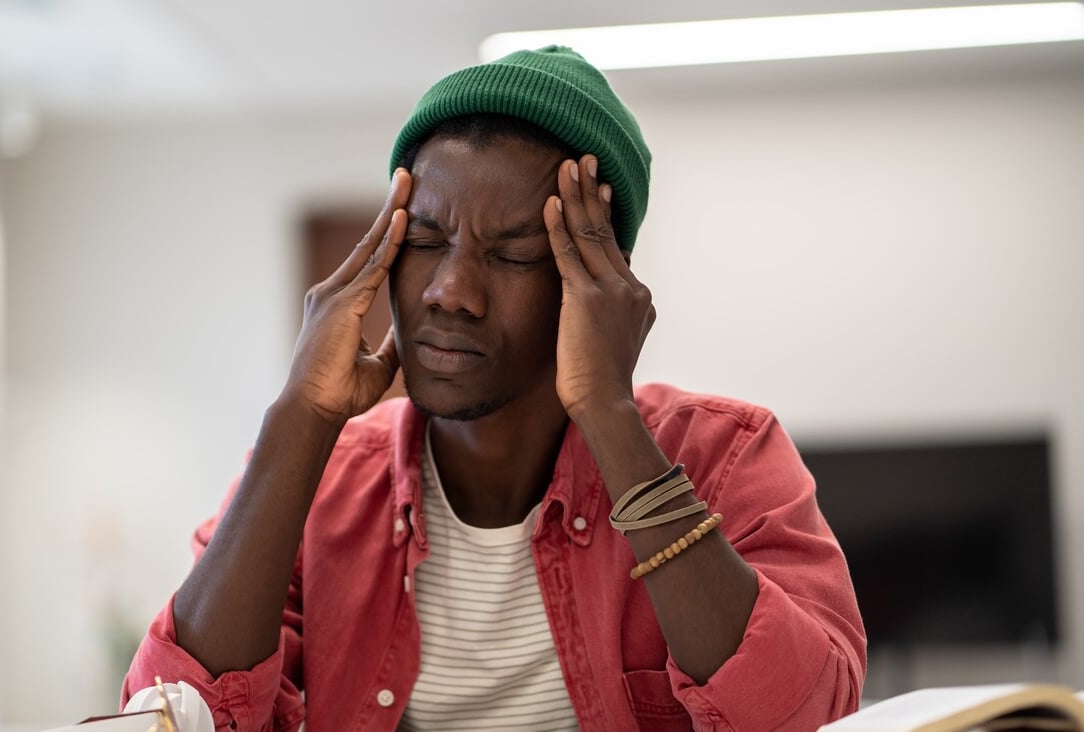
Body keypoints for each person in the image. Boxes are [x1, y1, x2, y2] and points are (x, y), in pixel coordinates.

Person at [124, 46, 866, 731]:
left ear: (597, 283)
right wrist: (301, 418)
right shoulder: (319, 480)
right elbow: (175, 719)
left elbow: (811, 716)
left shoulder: (726, 456)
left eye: (512, 254)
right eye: (420, 242)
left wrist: (610, 414)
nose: (451, 290)